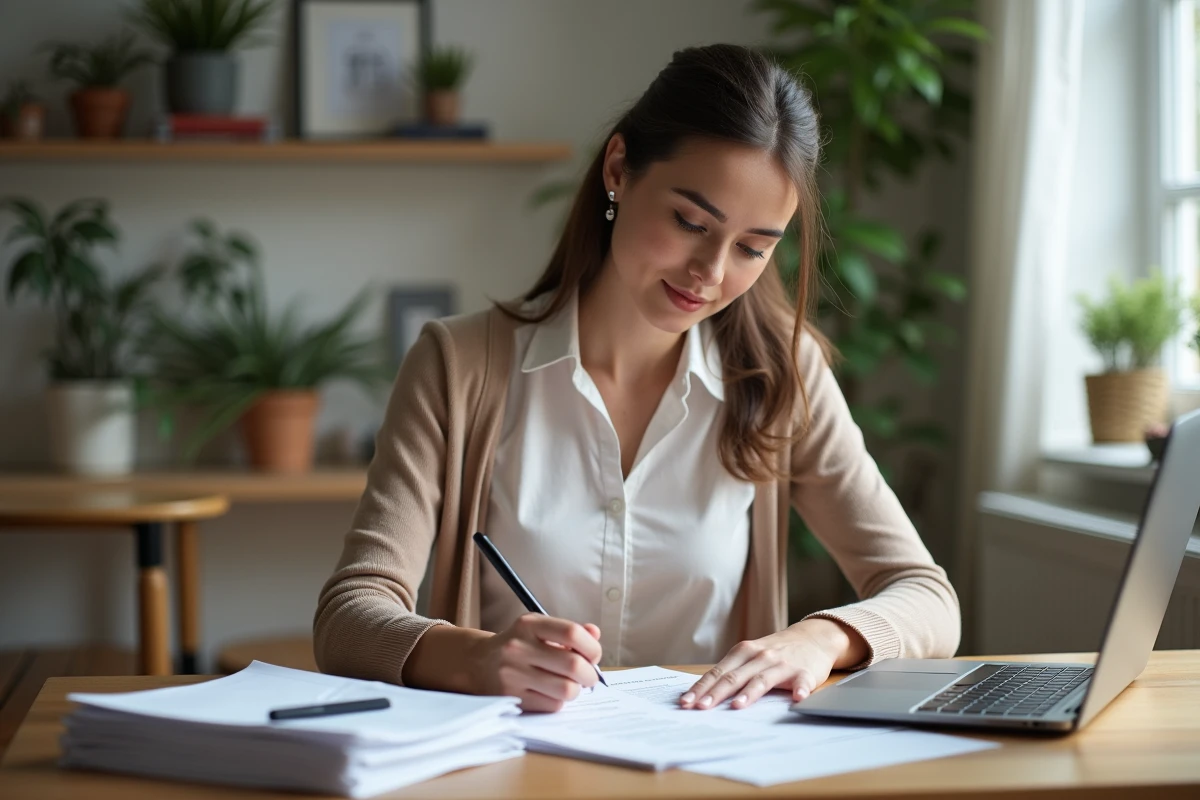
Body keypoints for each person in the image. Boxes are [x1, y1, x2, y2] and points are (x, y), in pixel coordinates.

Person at [314, 43, 959, 714]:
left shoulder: (781, 378)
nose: (710, 271)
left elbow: (927, 596)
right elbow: (348, 618)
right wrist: (479, 656)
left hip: (705, 769)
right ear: (619, 170)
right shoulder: (458, 366)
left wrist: (820, 639)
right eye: (690, 222)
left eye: (752, 248)